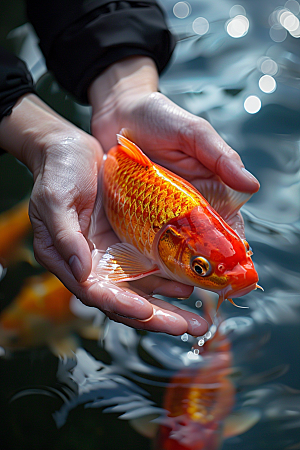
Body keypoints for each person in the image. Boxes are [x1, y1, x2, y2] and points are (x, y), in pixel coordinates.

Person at [0, 0, 259, 337]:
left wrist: (125, 89)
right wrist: (41, 137)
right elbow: (118, 263)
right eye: (200, 267)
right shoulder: (146, 257)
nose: (207, 272)